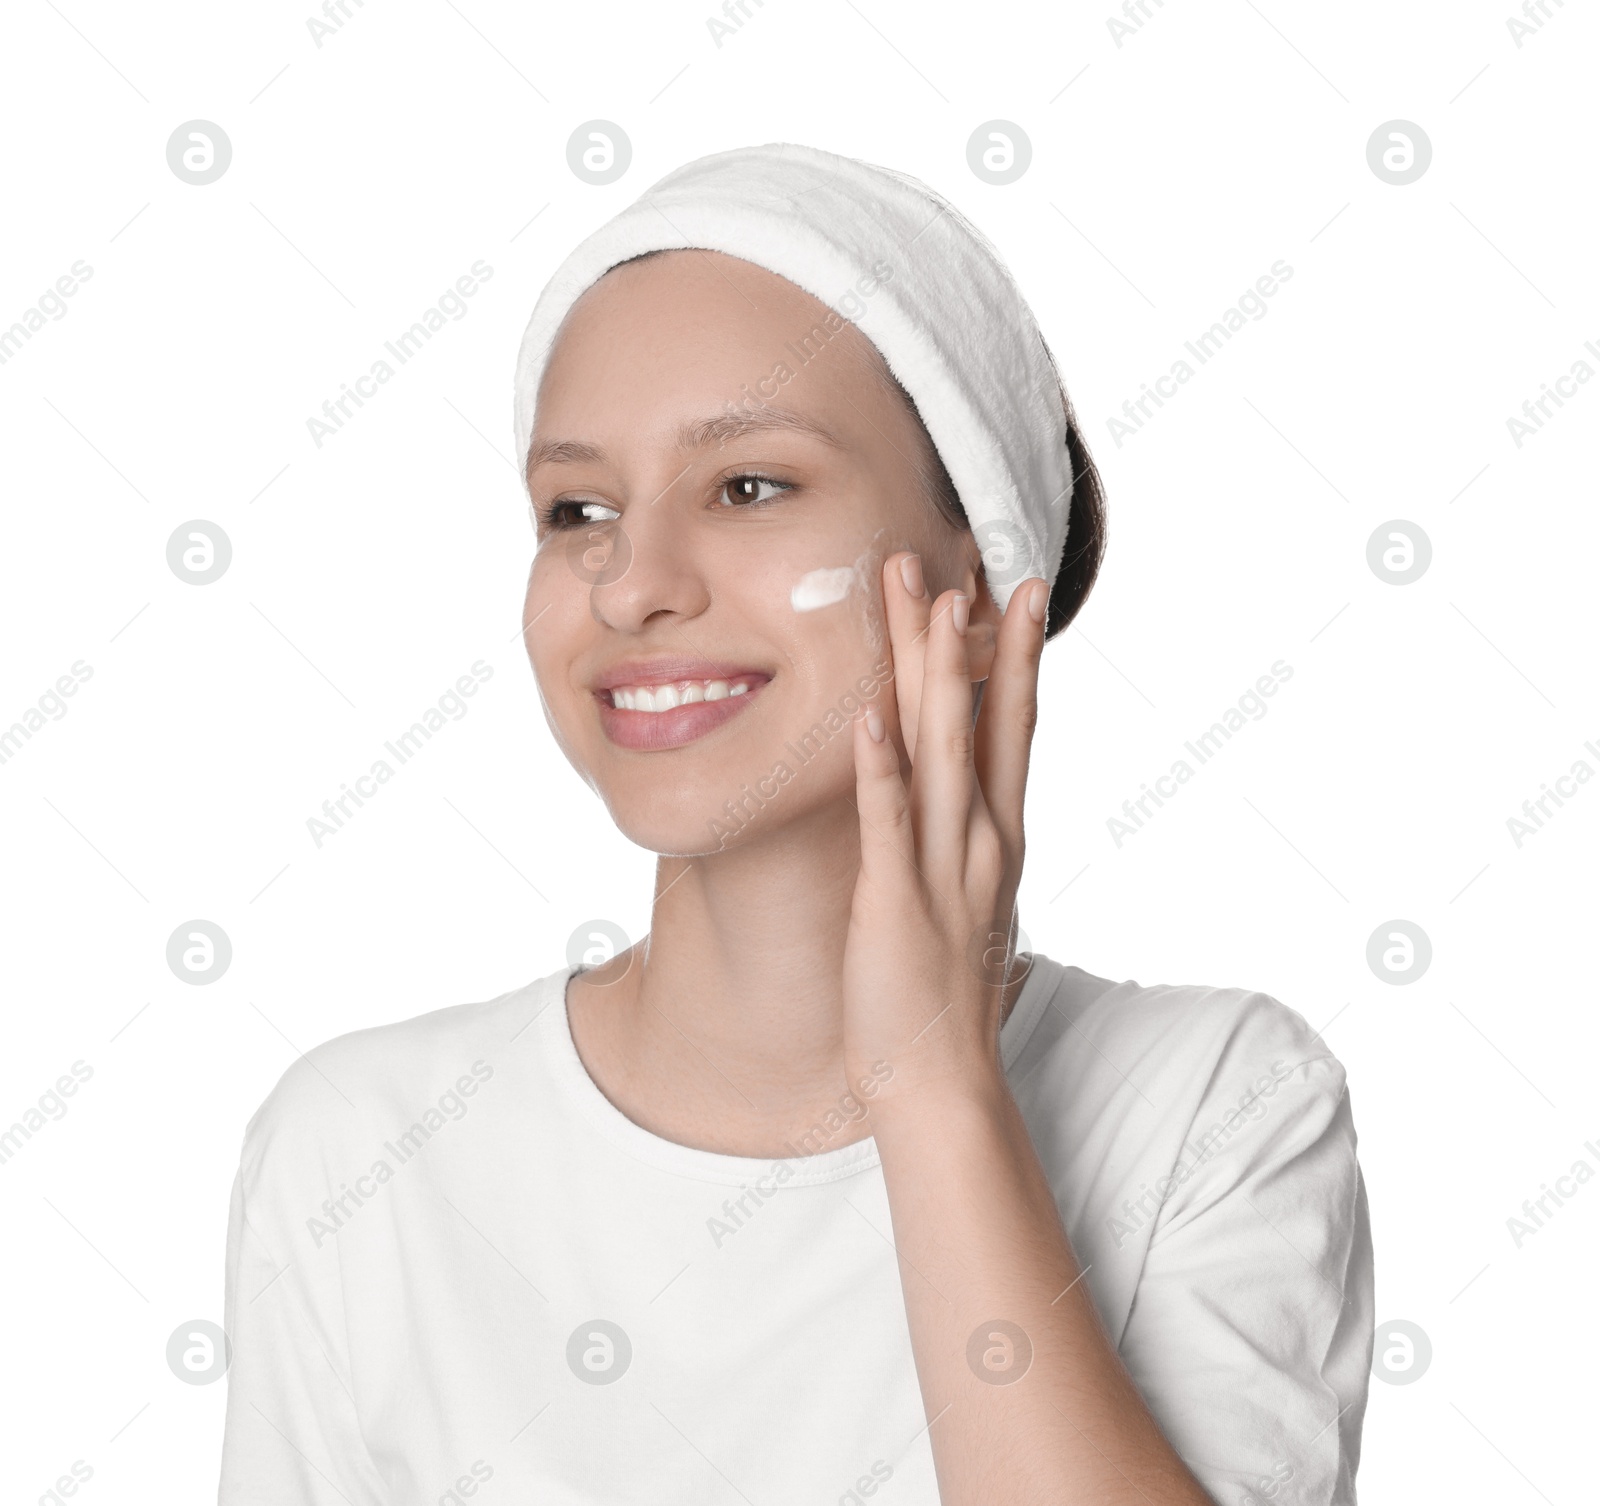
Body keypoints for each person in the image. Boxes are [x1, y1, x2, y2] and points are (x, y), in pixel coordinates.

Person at [218, 142, 1373, 1506]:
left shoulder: (1210, 1106)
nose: (631, 583)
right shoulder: (360, 1150)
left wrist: (933, 1089)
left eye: (750, 485)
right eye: (576, 509)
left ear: (985, 571)